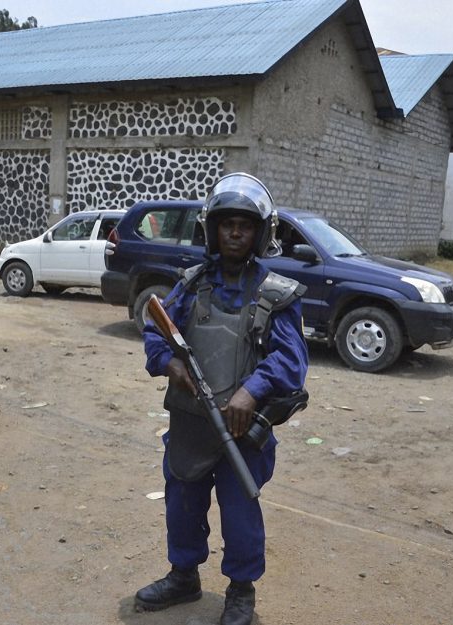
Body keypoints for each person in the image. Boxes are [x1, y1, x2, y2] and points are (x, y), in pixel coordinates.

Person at [135, 173, 308, 625]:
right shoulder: (190, 285)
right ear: (212, 229)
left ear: (260, 234)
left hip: (240, 434)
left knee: (240, 514)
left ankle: (241, 592)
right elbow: (156, 330)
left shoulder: (276, 294)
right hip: (191, 424)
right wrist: (168, 364)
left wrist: (251, 392)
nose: (235, 232)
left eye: (245, 225)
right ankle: (183, 576)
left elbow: (291, 362)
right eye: (227, 223)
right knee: (182, 505)